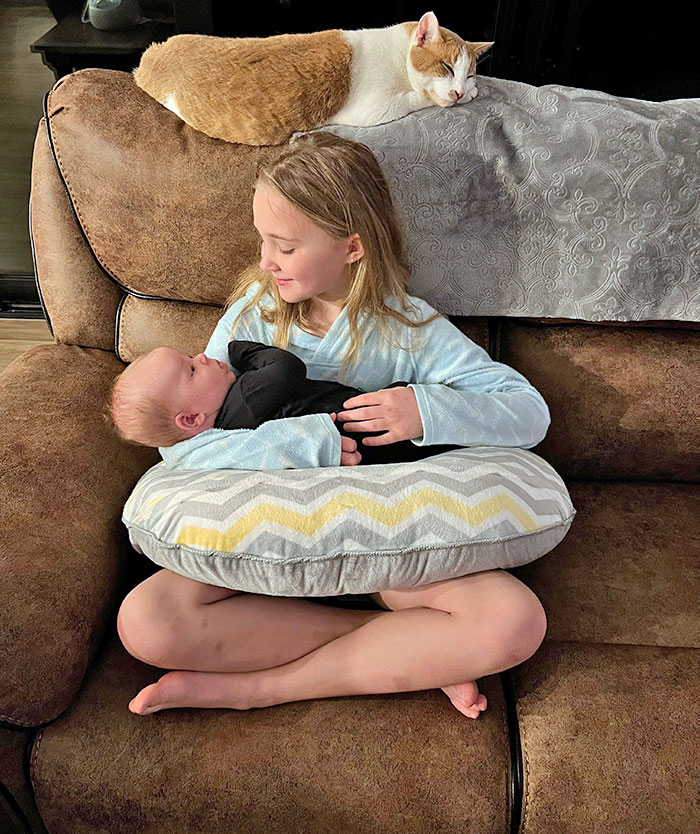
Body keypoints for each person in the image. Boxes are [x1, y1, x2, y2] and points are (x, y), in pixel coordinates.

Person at [116, 131, 551, 720]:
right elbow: (186, 445)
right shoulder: (254, 315)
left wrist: (425, 408)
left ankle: (262, 688)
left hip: (389, 554)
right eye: (262, 240)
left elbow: (529, 411)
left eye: (285, 246)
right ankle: (414, 648)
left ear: (352, 247)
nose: (266, 261)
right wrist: (298, 443)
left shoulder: (407, 328)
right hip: (275, 552)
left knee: (515, 621)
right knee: (145, 623)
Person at [108, 338, 460, 466]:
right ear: (190, 419)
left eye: (190, 355)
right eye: (191, 369)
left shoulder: (225, 430)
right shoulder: (245, 399)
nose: (202, 355)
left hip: (362, 438)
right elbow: (287, 369)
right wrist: (243, 351)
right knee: (417, 400)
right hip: (369, 429)